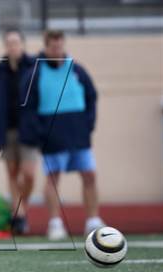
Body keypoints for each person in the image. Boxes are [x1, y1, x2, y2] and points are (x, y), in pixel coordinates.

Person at [21, 30, 105, 240]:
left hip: (79, 135)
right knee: (53, 178)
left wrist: (87, 125)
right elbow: (28, 107)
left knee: (89, 176)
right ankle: (55, 223)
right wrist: (40, 133)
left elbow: (91, 97)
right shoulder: (36, 73)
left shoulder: (77, 70)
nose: (57, 49)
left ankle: (93, 220)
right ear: (46, 46)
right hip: (52, 136)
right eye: (53, 46)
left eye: (60, 45)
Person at [0, 27, 37, 235]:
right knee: (13, 173)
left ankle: (21, 208)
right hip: (7, 131)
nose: (13, 46)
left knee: (29, 174)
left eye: (16, 42)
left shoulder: (33, 68)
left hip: (29, 130)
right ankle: (20, 216)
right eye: (9, 43)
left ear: (22, 44)